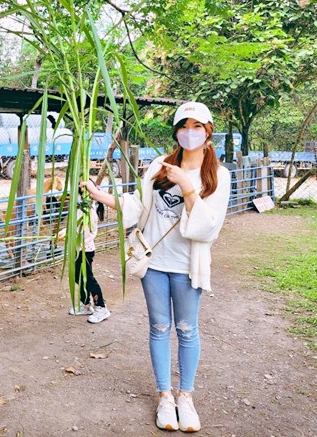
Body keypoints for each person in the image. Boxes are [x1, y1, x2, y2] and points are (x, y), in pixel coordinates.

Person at [81, 102, 231, 433]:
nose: (189, 133)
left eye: (196, 126)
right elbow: (137, 206)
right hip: (155, 261)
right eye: (183, 126)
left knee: (188, 329)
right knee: (160, 328)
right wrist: (100, 194)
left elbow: (208, 228)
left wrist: (188, 187)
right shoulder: (158, 165)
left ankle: (186, 398)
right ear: (176, 131)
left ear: (208, 131)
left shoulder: (219, 176)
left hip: (187, 264)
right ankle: (165, 395)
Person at [58, 199, 109, 323]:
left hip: (85, 249)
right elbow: (75, 224)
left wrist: (70, 235)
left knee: (88, 278)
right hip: (77, 248)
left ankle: (101, 307)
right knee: (78, 277)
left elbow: (87, 232)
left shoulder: (89, 210)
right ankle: (85, 304)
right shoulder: (79, 207)